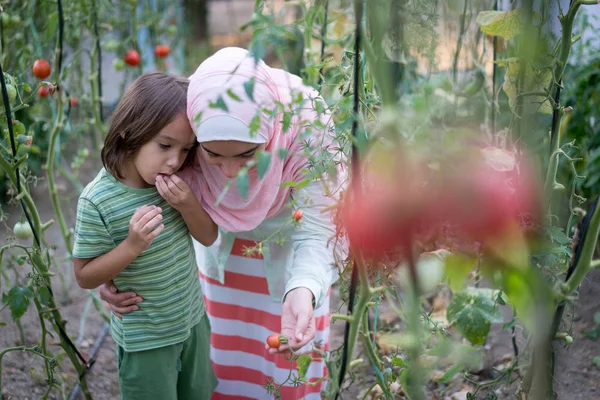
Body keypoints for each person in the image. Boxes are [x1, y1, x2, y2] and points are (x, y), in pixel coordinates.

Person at [100, 48, 346, 399]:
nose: (230, 173)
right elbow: (128, 171)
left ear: (273, 133)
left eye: (248, 154)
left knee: (285, 372)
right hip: (220, 263)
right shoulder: (190, 109)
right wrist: (110, 268)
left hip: (294, 265)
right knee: (223, 368)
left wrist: (304, 288)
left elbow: (320, 225)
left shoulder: (307, 125)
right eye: (212, 155)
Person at [73, 72, 218, 400]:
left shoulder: (179, 183)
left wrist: (188, 205)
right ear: (130, 132)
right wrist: (132, 246)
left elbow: (208, 237)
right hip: (147, 340)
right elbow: (83, 276)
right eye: (165, 145)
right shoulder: (98, 200)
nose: (174, 160)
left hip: (193, 321)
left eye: (186, 149)